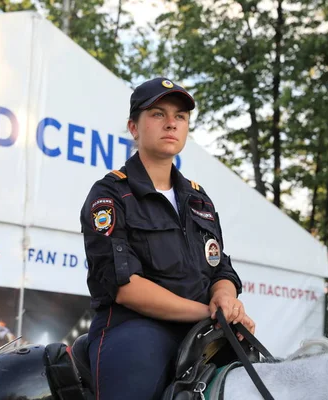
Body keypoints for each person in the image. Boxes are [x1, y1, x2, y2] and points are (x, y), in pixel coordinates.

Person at [80, 77, 255, 400]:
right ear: (134, 127)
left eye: (181, 117)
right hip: (134, 329)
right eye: (158, 114)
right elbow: (125, 286)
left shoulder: (199, 199)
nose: (171, 123)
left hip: (203, 328)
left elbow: (220, 268)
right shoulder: (110, 194)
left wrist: (226, 300)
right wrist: (207, 312)